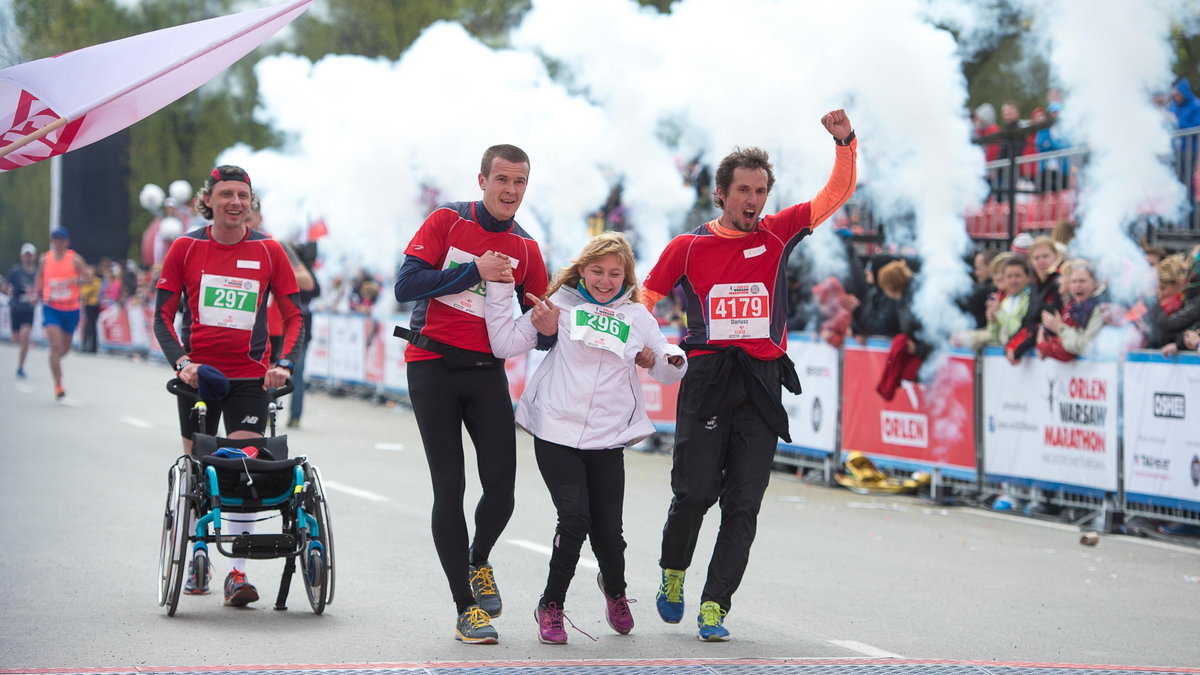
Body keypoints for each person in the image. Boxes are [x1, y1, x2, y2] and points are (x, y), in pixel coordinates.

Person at [639, 110, 856, 641]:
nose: (752, 200)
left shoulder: (780, 234)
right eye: (743, 190)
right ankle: (673, 572)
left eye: (760, 190)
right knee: (693, 493)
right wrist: (649, 345)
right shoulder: (687, 247)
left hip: (760, 380)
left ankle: (715, 606)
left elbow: (836, 193)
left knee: (743, 501)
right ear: (721, 194)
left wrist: (845, 142)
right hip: (708, 376)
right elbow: (645, 297)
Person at [482, 232, 687, 644]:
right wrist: (502, 288)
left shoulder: (637, 315)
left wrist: (662, 359)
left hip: (607, 438)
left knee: (610, 533)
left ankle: (616, 593)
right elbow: (504, 342)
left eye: (615, 273)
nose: (605, 280)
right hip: (555, 430)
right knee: (574, 518)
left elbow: (669, 365)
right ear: (581, 271)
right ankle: (551, 605)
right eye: (597, 271)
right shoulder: (560, 306)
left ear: (627, 276)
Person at [392, 144, 550, 644]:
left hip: (486, 372)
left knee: (502, 488)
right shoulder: (447, 221)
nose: (510, 191)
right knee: (451, 488)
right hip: (432, 364)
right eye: (502, 180)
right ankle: (465, 608)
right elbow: (406, 284)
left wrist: (546, 327)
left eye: (519, 182)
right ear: (481, 180)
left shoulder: (527, 248)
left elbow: (539, 326)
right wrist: (472, 270)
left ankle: (478, 560)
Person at [153, 165, 304, 607]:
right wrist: (182, 362)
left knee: (239, 472)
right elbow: (162, 316)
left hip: (248, 380)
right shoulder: (185, 247)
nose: (235, 202)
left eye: (243, 195)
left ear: (250, 202)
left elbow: (294, 317)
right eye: (226, 194)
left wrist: (284, 363)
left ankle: (237, 574)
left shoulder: (269, 251)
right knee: (198, 470)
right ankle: (198, 551)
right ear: (210, 199)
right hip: (198, 379)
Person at [243, 194, 317, 429]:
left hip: (274, 328)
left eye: (248, 219)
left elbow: (308, 282)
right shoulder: (225, 243)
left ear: (259, 218)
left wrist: (274, 270)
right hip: (238, 329)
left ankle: (286, 416)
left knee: (285, 375)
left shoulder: (274, 245)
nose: (243, 225)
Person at [33, 227, 87, 399]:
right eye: (55, 239)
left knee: (65, 348)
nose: (58, 242)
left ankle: (55, 361)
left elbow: (89, 277)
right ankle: (58, 383)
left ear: (66, 242)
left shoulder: (74, 259)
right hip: (52, 307)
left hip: (71, 309)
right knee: (55, 346)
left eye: (61, 239)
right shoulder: (45, 259)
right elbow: (39, 278)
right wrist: (36, 293)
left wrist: (76, 279)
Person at [1005, 236, 1063, 364]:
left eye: (1046, 256)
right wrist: (1011, 346)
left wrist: (1019, 349)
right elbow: (1029, 322)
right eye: (1037, 258)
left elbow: (1047, 322)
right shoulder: (1036, 286)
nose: (1042, 261)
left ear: (1056, 256)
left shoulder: (1060, 283)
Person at [1037, 259, 1105, 361]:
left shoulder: (1101, 307)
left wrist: (1059, 328)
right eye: (1074, 281)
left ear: (1095, 283)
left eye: (1082, 281)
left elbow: (1085, 347)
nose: (1077, 286)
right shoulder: (1075, 308)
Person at [7, 243, 39, 378]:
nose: (28, 258)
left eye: (30, 255)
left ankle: (21, 366)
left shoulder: (37, 273)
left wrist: (36, 296)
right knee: (15, 338)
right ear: (22, 256)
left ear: (34, 257)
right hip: (16, 308)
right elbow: (6, 286)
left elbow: (41, 289)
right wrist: (9, 291)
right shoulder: (15, 272)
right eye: (26, 255)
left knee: (25, 335)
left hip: (28, 309)